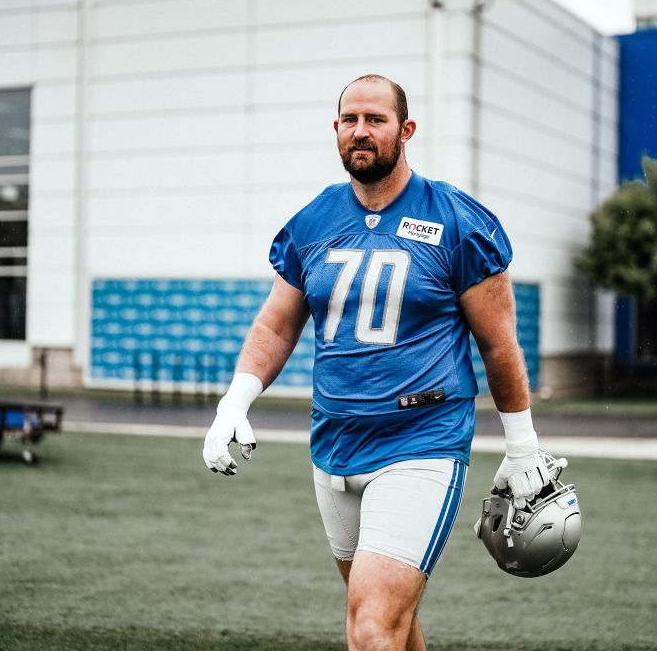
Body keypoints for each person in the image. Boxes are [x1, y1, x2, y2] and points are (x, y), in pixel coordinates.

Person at [202, 74, 556, 651]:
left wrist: (522, 448)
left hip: (422, 440)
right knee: (390, 622)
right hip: (335, 443)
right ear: (336, 131)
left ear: (406, 130)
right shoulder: (314, 220)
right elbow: (276, 322)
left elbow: (499, 345)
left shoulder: (458, 221)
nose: (361, 131)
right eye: (350, 120)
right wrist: (234, 400)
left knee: (370, 626)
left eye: (376, 119)